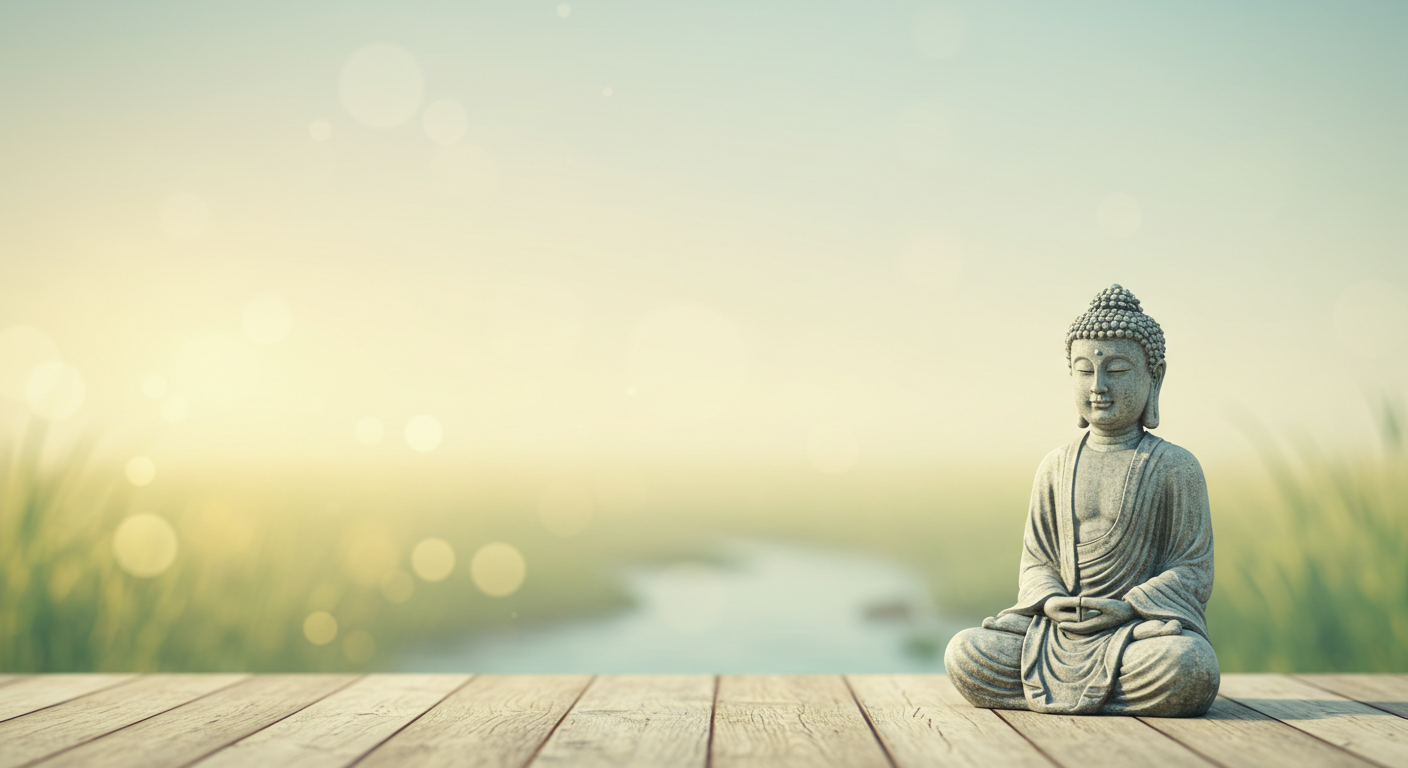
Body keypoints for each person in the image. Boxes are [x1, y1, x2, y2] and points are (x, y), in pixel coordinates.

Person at [944, 284, 1219, 717]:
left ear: (1155, 376)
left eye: (1117, 369)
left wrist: (1126, 607)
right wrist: (1051, 601)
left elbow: (1192, 569)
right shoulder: (1055, 466)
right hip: (1055, 630)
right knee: (966, 651)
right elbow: (1037, 562)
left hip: (1135, 631)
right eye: (1085, 370)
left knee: (1188, 665)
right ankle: (1108, 699)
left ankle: (1074, 693)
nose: (1099, 386)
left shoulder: (1174, 467)